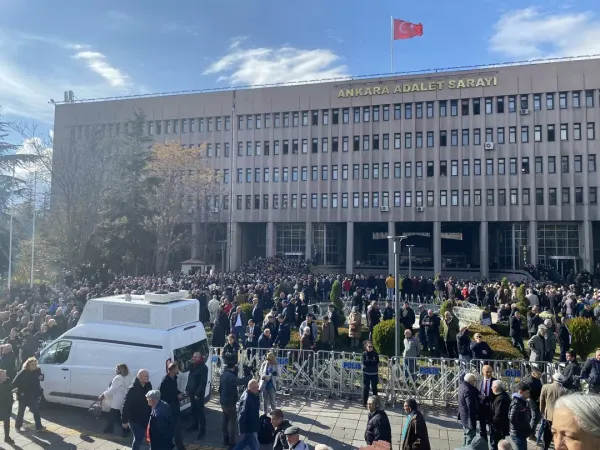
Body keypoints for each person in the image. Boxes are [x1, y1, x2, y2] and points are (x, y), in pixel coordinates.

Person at [220, 362, 253, 447]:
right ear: (234, 367)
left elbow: (220, 388)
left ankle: (225, 438)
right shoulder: (231, 376)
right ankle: (232, 442)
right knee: (232, 422)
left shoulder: (224, 374)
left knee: (225, 420)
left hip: (223, 401)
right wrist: (249, 376)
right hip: (230, 402)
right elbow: (239, 382)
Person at [121, 369, 152, 450]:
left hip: (146, 417)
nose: (148, 377)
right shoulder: (132, 389)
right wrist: (124, 421)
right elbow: (126, 405)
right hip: (134, 419)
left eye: (148, 375)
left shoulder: (148, 385)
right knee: (138, 438)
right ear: (140, 377)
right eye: (146, 376)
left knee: (151, 436)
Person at [12, 356, 44, 431]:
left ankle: (39, 427)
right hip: (23, 395)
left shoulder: (37, 370)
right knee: (21, 412)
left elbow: (41, 377)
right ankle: (17, 427)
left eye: (35, 364)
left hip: (34, 395)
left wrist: (41, 377)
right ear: (28, 365)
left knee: (36, 411)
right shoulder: (23, 372)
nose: (34, 366)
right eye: (32, 364)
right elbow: (15, 383)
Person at [99, 363, 130, 436]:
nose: (115, 370)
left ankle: (126, 429)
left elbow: (112, 390)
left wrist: (103, 395)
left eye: (116, 368)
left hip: (117, 400)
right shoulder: (123, 377)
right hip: (119, 399)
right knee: (114, 416)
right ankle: (110, 429)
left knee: (116, 416)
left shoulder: (118, 378)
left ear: (120, 370)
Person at [159, 362, 185, 450]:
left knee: (174, 428)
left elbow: (173, 390)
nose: (178, 370)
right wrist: (176, 397)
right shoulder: (165, 381)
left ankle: (172, 445)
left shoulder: (174, 378)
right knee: (176, 428)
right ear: (172, 369)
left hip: (175, 406)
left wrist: (179, 393)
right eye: (177, 368)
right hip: (170, 407)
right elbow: (164, 396)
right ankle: (180, 446)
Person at [539, 373, 567, 450]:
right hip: (560, 417)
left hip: (548, 415)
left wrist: (542, 411)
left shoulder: (546, 387)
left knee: (547, 434)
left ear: (553, 378)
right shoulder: (564, 390)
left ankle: (545, 448)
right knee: (558, 434)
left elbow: (542, 400)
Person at [185, 352, 208, 439]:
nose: (193, 358)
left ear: (200, 357)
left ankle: (202, 431)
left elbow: (203, 382)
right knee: (193, 409)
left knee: (200, 412)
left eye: (195, 357)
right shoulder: (193, 366)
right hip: (191, 392)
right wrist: (187, 389)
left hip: (198, 394)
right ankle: (195, 425)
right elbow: (190, 378)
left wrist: (197, 394)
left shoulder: (203, 367)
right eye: (193, 357)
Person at [234, 379, 261, 450]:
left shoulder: (251, 394)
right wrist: (242, 430)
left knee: (244, 442)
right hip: (250, 427)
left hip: (251, 425)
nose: (258, 389)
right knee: (255, 445)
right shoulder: (247, 399)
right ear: (250, 387)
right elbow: (242, 415)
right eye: (256, 387)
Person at [508, 382, 532, 450]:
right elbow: (512, 418)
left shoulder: (523, 401)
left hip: (521, 432)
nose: (529, 395)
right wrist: (522, 427)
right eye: (527, 393)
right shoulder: (516, 403)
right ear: (521, 392)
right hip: (517, 433)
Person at [458, 373, 480, 446]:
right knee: (470, 437)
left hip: (463, 416)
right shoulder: (468, 390)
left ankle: (464, 447)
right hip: (469, 418)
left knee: (465, 435)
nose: (475, 382)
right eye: (474, 380)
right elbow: (470, 406)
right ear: (471, 380)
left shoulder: (462, 385)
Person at [490, 380, 511, 450]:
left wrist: (491, 422)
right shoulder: (503, 396)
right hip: (501, 426)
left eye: (492, 387)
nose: (491, 388)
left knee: (496, 445)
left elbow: (498, 415)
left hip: (498, 427)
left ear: (495, 388)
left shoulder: (501, 398)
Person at [362, 341, 379, 407]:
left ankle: (375, 402)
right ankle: (364, 402)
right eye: (369, 346)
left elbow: (376, 362)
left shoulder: (375, 354)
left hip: (374, 373)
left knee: (374, 388)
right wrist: (370, 362)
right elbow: (364, 362)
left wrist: (369, 362)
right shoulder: (364, 354)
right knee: (366, 388)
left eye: (371, 347)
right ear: (366, 347)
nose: (370, 348)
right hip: (366, 373)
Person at [0, 369, 14, 444]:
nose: (6, 376)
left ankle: (7, 437)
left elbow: (10, 393)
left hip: (6, 406)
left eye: (5, 375)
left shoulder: (8, 382)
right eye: (4, 375)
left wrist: (12, 400)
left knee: (7, 422)